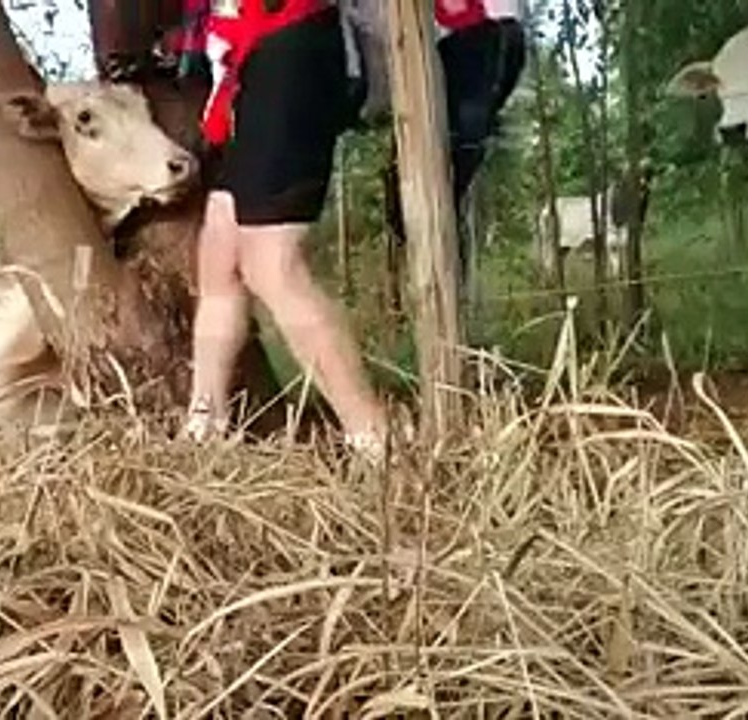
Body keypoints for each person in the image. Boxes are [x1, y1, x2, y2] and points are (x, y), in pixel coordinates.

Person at [172, 0, 390, 459]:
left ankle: (374, 441)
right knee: (221, 253)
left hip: (291, 32)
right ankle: (203, 430)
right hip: (248, 48)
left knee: (269, 261)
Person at [383, 0, 527, 277]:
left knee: (429, 174)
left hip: (474, 33)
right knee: (451, 164)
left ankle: (441, 271)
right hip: (485, 37)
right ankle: (444, 267)